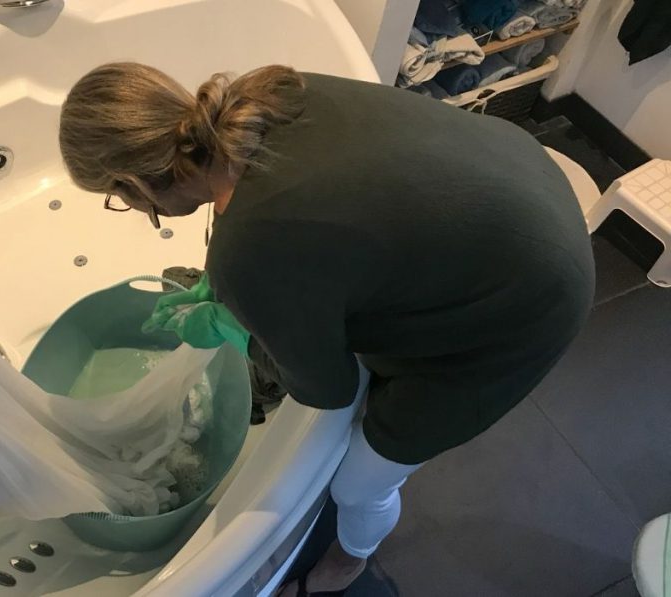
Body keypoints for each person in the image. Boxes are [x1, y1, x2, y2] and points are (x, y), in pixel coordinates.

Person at [59, 63, 595, 593]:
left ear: (132, 183)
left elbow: (329, 391)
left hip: (528, 302)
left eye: (118, 198)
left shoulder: (251, 248)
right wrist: (235, 294)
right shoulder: (271, 92)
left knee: (360, 483)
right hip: (522, 174)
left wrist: (235, 329)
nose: (126, 207)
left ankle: (351, 560)